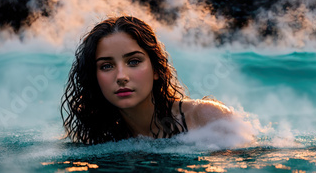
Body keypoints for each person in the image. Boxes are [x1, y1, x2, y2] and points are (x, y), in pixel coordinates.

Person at [61, 16, 232, 144]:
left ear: (156, 70)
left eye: (134, 61)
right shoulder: (101, 137)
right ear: (94, 77)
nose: (121, 77)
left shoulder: (206, 117)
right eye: (106, 66)